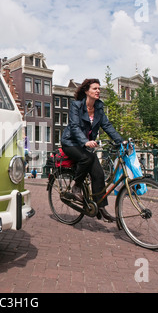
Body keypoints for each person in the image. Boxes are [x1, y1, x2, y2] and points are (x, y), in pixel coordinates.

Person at [61, 78, 123, 222]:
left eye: (99, 89)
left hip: (86, 145)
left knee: (98, 173)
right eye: (95, 88)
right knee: (87, 158)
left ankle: (100, 207)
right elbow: (75, 126)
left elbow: (107, 126)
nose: (98, 91)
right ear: (86, 91)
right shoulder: (76, 106)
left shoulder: (99, 108)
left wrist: (121, 141)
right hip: (71, 142)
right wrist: (85, 141)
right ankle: (76, 187)